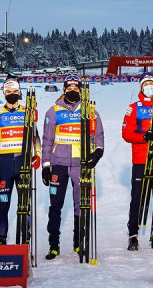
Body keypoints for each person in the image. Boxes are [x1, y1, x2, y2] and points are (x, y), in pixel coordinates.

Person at [42, 75, 104, 259]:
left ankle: (79, 243)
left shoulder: (89, 111)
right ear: (64, 89)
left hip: (80, 164)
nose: (73, 91)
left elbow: (99, 135)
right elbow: (47, 140)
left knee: (80, 205)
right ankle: (54, 245)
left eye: (76, 88)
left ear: (81, 90)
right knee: (56, 206)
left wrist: (98, 152)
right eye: (69, 88)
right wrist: (46, 165)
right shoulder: (53, 111)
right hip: (58, 164)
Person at [122, 73, 153, 251]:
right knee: (138, 198)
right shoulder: (134, 107)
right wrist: (144, 136)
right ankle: (133, 234)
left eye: (152, 84)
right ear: (142, 88)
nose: (150, 87)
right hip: (141, 159)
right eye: (147, 84)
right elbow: (126, 134)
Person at [0, 77, 40, 246]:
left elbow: (35, 136)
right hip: (4, 165)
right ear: (4, 93)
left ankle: (26, 239)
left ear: (20, 93)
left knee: (25, 205)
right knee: (4, 206)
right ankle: (1, 241)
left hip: (23, 163)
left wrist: (37, 154)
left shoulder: (27, 111)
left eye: (15, 92)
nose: (12, 95)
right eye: (8, 92)